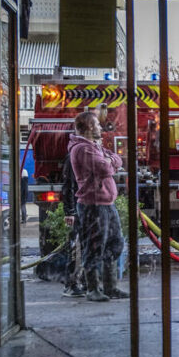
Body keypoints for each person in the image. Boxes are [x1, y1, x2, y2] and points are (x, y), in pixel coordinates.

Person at [68, 111, 128, 302]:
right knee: (94, 247)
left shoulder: (94, 147)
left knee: (115, 243)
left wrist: (111, 161)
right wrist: (111, 162)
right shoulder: (83, 149)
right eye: (97, 124)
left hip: (106, 204)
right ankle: (92, 289)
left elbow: (117, 159)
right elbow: (105, 168)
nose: (101, 127)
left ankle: (110, 288)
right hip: (93, 206)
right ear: (88, 128)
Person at [60, 152, 85, 297]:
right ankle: (71, 284)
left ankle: (82, 282)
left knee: (84, 246)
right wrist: (69, 211)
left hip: (85, 207)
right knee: (76, 247)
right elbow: (68, 184)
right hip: (77, 208)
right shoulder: (74, 156)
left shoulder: (88, 153)